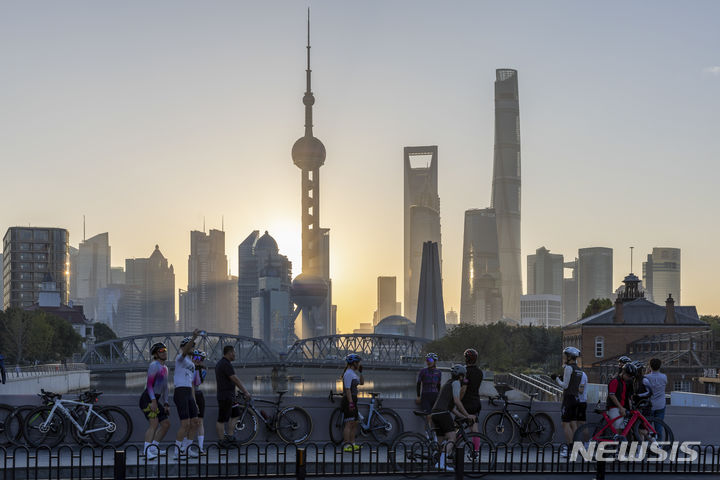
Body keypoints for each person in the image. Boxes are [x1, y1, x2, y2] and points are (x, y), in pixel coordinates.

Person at [430, 364, 475, 472]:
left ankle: (437, 460)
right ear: (460, 376)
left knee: (440, 442)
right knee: (452, 438)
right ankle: (441, 464)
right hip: (442, 413)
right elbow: (457, 401)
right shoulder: (456, 383)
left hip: (435, 413)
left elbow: (452, 408)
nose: (464, 378)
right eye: (463, 376)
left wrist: (464, 416)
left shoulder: (448, 383)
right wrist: (468, 415)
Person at [172, 329, 201, 458]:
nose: (193, 347)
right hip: (180, 391)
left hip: (189, 392)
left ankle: (187, 448)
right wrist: (194, 337)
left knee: (195, 422)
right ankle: (177, 452)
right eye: (190, 345)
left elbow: (192, 385)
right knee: (185, 424)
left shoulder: (192, 365)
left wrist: (195, 402)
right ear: (183, 347)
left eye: (194, 345)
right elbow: (185, 352)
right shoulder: (180, 358)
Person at [215, 345, 252, 448]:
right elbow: (235, 379)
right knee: (221, 419)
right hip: (225, 396)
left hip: (230, 396)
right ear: (229, 353)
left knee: (235, 414)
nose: (235, 355)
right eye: (234, 353)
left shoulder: (223, 363)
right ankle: (222, 441)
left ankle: (230, 438)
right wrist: (245, 392)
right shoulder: (225, 364)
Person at [139, 342, 171, 460]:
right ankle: (146, 451)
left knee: (166, 424)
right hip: (148, 397)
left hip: (156, 399)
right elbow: (149, 385)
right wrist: (153, 401)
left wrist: (166, 402)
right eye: (161, 351)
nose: (164, 352)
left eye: (165, 350)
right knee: (154, 423)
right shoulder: (154, 365)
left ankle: (153, 448)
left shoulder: (165, 368)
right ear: (156, 354)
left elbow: (166, 387)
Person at [551, 347, 584, 458]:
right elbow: (574, 383)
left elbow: (565, 385)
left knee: (565, 424)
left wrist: (556, 378)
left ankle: (570, 448)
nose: (564, 357)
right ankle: (577, 447)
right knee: (573, 424)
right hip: (576, 398)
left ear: (570, 357)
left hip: (568, 398)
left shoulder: (568, 368)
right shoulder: (579, 369)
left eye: (566, 355)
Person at [461, 348, 484, 450]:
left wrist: (457, 401)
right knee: (474, 429)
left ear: (466, 359)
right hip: (476, 402)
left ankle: (452, 447)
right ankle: (476, 450)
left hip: (466, 403)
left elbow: (463, 389)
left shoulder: (465, 372)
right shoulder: (479, 372)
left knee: (457, 427)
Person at [342, 353, 364, 452]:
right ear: (353, 362)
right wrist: (350, 403)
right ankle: (346, 446)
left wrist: (361, 372)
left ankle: (353, 444)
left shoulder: (353, 373)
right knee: (349, 423)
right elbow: (347, 390)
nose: (359, 364)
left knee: (354, 423)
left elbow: (362, 383)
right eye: (358, 363)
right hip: (348, 400)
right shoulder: (348, 373)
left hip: (353, 400)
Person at [607, 363, 636, 434]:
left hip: (620, 408)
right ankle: (616, 444)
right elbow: (612, 395)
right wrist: (620, 407)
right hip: (614, 408)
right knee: (618, 430)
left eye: (631, 377)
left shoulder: (624, 382)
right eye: (628, 376)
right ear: (623, 372)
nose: (629, 378)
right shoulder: (615, 381)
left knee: (623, 429)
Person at [645, 358, 668, 438]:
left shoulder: (646, 377)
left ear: (650, 366)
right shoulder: (664, 377)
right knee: (659, 429)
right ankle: (659, 446)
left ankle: (647, 446)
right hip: (661, 405)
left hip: (649, 405)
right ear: (660, 366)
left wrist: (646, 372)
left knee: (646, 428)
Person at [416, 353, 442, 421]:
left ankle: (433, 431)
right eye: (427, 360)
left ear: (435, 361)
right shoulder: (423, 371)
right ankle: (428, 431)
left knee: (435, 416)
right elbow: (418, 384)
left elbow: (439, 385)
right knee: (428, 416)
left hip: (435, 396)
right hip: (425, 397)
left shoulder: (439, 372)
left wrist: (439, 396)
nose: (428, 361)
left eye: (430, 360)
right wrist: (418, 396)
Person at [192, 350, 208, 453]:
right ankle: (185, 447)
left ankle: (200, 447)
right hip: (191, 395)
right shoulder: (189, 368)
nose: (198, 360)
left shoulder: (202, 370)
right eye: (196, 358)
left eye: (200, 359)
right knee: (190, 422)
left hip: (197, 395)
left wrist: (197, 367)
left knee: (200, 421)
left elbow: (195, 383)